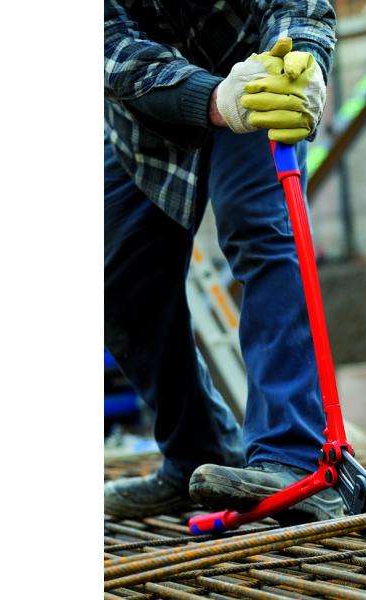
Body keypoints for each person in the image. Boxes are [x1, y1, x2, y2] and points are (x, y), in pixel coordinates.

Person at [104, 0, 341, 524]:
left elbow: (297, 7)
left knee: (262, 235)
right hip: (142, 118)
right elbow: (110, 48)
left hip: (257, 79)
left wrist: (302, 61)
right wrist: (214, 98)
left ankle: (294, 458)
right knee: (118, 280)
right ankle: (198, 453)